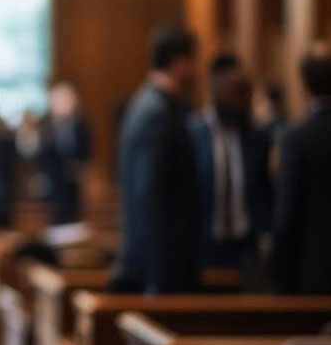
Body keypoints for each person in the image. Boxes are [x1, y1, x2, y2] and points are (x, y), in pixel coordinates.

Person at [271, 45, 331, 294]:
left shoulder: (295, 138)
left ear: (304, 85)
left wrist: (279, 272)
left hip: (307, 268)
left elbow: (287, 211)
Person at [109, 23, 201, 293]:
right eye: (193, 61)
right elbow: (148, 198)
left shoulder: (155, 106)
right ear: (180, 63)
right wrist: (158, 280)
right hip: (160, 273)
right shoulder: (155, 113)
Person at [188, 52, 272, 267]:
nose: (240, 101)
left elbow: (264, 191)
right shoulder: (192, 133)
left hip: (246, 247)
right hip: (203, 247)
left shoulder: (257, 137)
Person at [39, 82, 92, 224]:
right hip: (51, 189)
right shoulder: (44, 126)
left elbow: (87, 152)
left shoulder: (81, 125)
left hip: (75, 188)